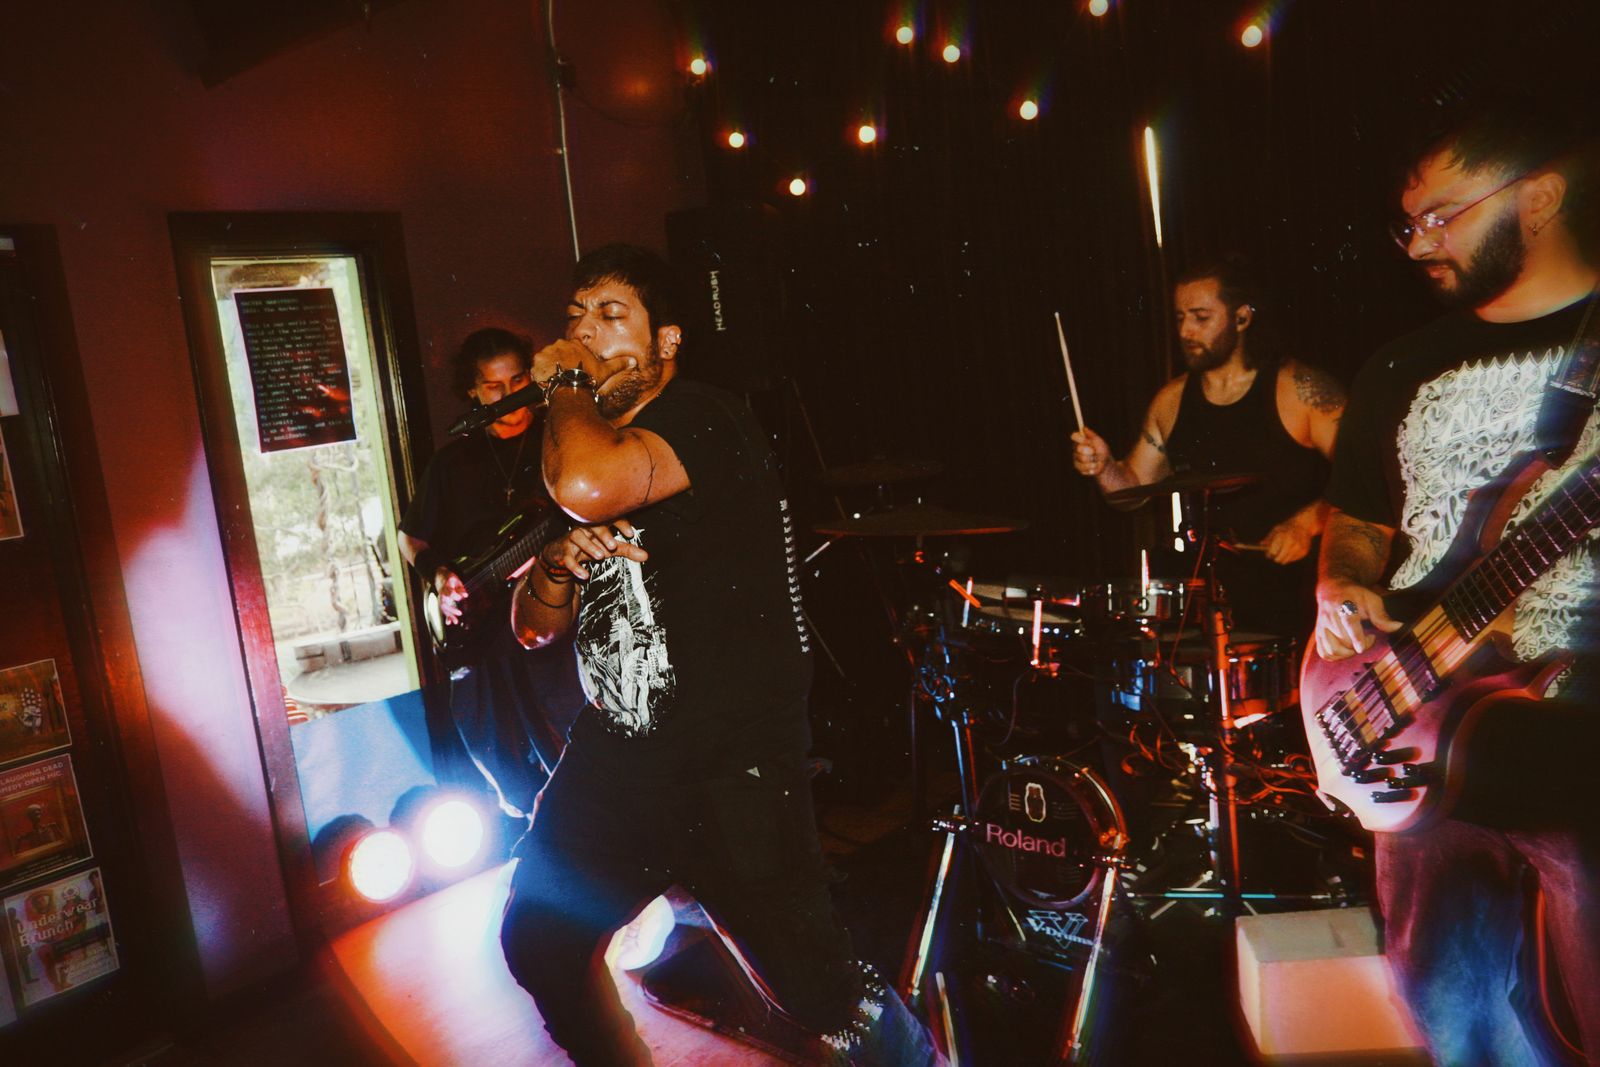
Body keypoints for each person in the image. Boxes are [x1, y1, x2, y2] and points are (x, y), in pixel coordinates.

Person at [501, 244, 943, 1065]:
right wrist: (556, 564)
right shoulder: (583, 439)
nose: (586, 336)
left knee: (818, 993)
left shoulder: (705, 417)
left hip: (729, 766)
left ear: (667, 341)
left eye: (611, 317)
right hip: (618, 760)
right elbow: (532, 630)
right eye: (575, 318)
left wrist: (562, 383)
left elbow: (591, 486)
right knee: (538, 940)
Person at [1313, 94, 1600, 1064]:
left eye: (1441, 214)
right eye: (1408, 224)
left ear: (1540, 196)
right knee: (1452, 1017)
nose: (1418, 243)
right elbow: (1357, 518)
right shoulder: (1400, 365)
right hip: (1419, 725)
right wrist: (1340, 584)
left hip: (1580, 734)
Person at [1070, 260, 1345, 637]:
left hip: (1306, 604)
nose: (1185, 331)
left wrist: (1306, 524)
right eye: (1180, 318)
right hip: (1214, 612)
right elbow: (1131, 491)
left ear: (1242, 318)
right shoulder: (1170, 401)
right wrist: (1104, 467)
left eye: (1201, 317)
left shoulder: (1299, 390)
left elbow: (1366, 476)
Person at [398, 327, 580, 820]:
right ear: (473, 392)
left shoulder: (561, 440)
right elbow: (410, 537)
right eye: (493, 386)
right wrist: (440, 578)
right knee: (494, 748)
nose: (508, 396)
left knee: (567, 735)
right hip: (479, 633)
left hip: (547, 619)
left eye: (517, 380)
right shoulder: (452, 461)